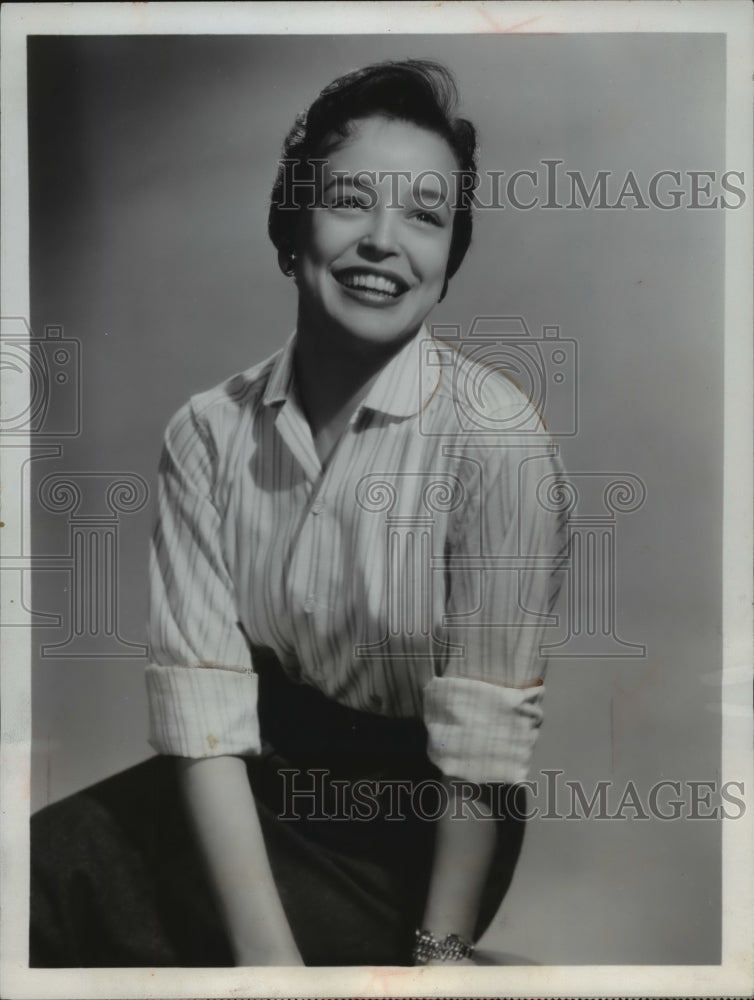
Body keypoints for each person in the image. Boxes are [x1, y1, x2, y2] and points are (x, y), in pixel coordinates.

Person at [30, 58, 567, 968]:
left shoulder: (496, 441)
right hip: (245, 784)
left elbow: (478, 749)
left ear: (449, 261)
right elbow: (205, 712)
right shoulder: (207, 431)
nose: (383, 243)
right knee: (31, 879)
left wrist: (439, 955)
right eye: (351, 201)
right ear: (293, 226)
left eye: (425, 218)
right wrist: (266, 961)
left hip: (417, 826)